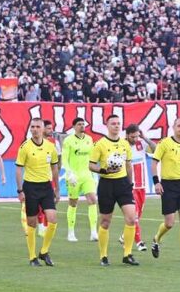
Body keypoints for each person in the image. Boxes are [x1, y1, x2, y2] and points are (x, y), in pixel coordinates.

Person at [89, 114, 140, 266]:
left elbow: (128, 165)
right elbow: (91, 165)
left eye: (118, 123)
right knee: (105, 221)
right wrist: (103, 170)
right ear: (107, 126)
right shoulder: (100, 144)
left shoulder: (125, 144)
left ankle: (127, 254)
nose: (116, 126)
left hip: (123, 184)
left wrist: (130, 184)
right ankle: (103, 256)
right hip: (106, 184)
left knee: (131, 218)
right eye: (113, 123)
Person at [15, 117, 60, 267]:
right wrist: (20, 190)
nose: (34, 129)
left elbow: (54, 168)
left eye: (37, 127)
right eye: (32, 127)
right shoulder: (25, 147)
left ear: (43, 129)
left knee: (53, 219)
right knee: (32, 222)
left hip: (46, 187)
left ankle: (44, 251)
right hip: (30, 187)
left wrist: (57, 189)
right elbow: (18, 169)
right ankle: (32, 257)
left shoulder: (50, 147)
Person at [150, 118, 180, 263]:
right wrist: (156, 182)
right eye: (179, 126)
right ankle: (156, 238)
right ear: (173, 127)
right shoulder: (164, 143)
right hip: (168, 185)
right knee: (169, 223)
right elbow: (154, 163)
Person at [62, 117, 99, 242]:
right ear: (74, 127)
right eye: (79, 124)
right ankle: (71, 233)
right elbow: (64, 159)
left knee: (93, 200)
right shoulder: (68, 141)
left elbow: (92, 157)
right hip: (74, 176)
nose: (82, 126)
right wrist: (69, 173)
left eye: (83, 124)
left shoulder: (89, 139)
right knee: (73, 203)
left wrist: (95, 174)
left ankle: (93, 232)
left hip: (87, 175)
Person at [125, 124, 156, 251]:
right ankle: (139, 242)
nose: (135, 139)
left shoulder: (141, 144)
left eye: (137, 136)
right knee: (135, 215)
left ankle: (124, 236)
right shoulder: (122, 146)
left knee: (138, 215)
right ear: (127, 135)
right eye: (132, 137)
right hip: (130, 186)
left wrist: (145, 138)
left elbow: (156, 150)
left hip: (142, 186)